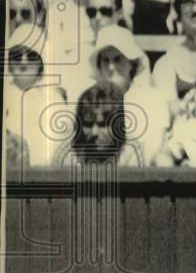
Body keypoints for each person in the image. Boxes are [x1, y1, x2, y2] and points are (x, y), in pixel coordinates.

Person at [90, 24, 170, 164]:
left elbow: (152, 152)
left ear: (132, 63)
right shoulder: (90, 101)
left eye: (118, 59)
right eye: (105, 60)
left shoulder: (154, 99)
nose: (111, 67)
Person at [4, 24, 69, 167]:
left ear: (41, 61)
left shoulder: (54, 97)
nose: (24, 61)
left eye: (32, 55)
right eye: (17, 55)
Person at [54, 83, 144, 168]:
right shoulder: (67, 153)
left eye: (102, 125)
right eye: (88, 124)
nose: (94, 132)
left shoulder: (131, 151)